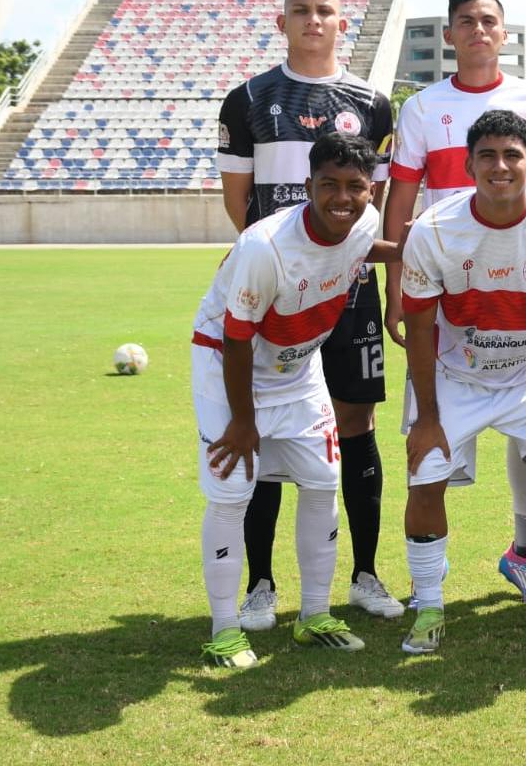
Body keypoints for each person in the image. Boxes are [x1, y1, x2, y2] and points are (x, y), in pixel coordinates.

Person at [215, 0, 401, 628]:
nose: (314, 20)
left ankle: (366, 576)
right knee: (263, 434)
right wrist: (286, 268)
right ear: (282, 22)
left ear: (341, 22)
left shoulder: (373, 103)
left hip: (351, 296)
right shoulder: (248, 99)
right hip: (277, 301)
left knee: (356, 427)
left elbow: (370, 199)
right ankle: (262, 584)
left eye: (325, 10)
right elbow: (239, 202)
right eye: (301, 10)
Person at [384, 0, 526, 606]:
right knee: (434, 449)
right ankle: (427, 583)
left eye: (489, 21)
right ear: (451, 34)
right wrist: (394, 287)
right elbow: (401, 198)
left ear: (503, 31)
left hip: (521, 285)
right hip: (445, 289)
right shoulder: (422, 107)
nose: (478, 31)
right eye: (466, 21)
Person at [194, 133, 399, 667]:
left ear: (371, 191)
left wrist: (407, 250)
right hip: (228, 366)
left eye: (355, 187)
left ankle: (314, 616)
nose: (341, 198)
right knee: (232, 488)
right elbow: (237, 338)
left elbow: (355, 246)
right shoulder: (266, 247)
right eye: (327, 185)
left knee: (323, 481)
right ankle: (224, 630)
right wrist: (243, 422)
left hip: (297, 366)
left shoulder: (365, 223)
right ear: (306, 185)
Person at [397, 110, 526, 652]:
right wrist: (428, 418)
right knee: (426, 473)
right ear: (468, 164)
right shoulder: (435, 229)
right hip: (454, 379)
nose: (500, 166)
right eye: (487, 155)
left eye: (512, 155)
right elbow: (418, 330)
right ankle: (430, 607)